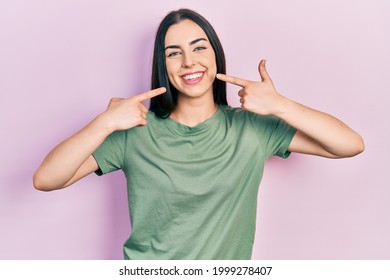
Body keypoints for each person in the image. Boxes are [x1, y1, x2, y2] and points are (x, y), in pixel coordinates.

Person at [33, 9, 364, 260]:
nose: (189, 62)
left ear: (215, 54)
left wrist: (280, 105)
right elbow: (47, 179)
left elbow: (349, 145)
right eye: (174, 52)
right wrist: (104, 122)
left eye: (199, 48)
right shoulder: (134, 131)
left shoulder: (252, 128)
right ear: (163, 65)